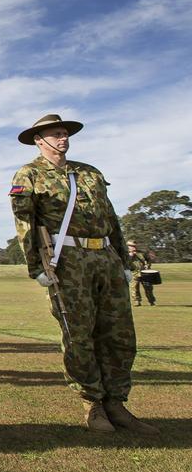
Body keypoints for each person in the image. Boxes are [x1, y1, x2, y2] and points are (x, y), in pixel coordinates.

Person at [10, 114, 156, 434]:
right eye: (55, 134)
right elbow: (25, 224)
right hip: (68, 259)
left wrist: (123, 261)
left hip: (104, 256)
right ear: (39, 139)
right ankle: (92, 404)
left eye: (64, 133)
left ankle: (117, 403)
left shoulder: (89, 172)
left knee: (120, 334)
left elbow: (111, 218)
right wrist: (37, 266)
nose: (63, 139)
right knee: (79, 336)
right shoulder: (29, 175)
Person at [127, 241, 156, 307]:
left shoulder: (141, 253)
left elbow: (148, 260)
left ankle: (151, 301)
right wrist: (130, 256)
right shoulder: (125, 254)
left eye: (134, 246)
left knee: (148, 288)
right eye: (131, 246)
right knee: (134, 288)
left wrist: (148, 265)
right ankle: (136, 302)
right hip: (133, 273)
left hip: (144, 273)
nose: (133, 247)